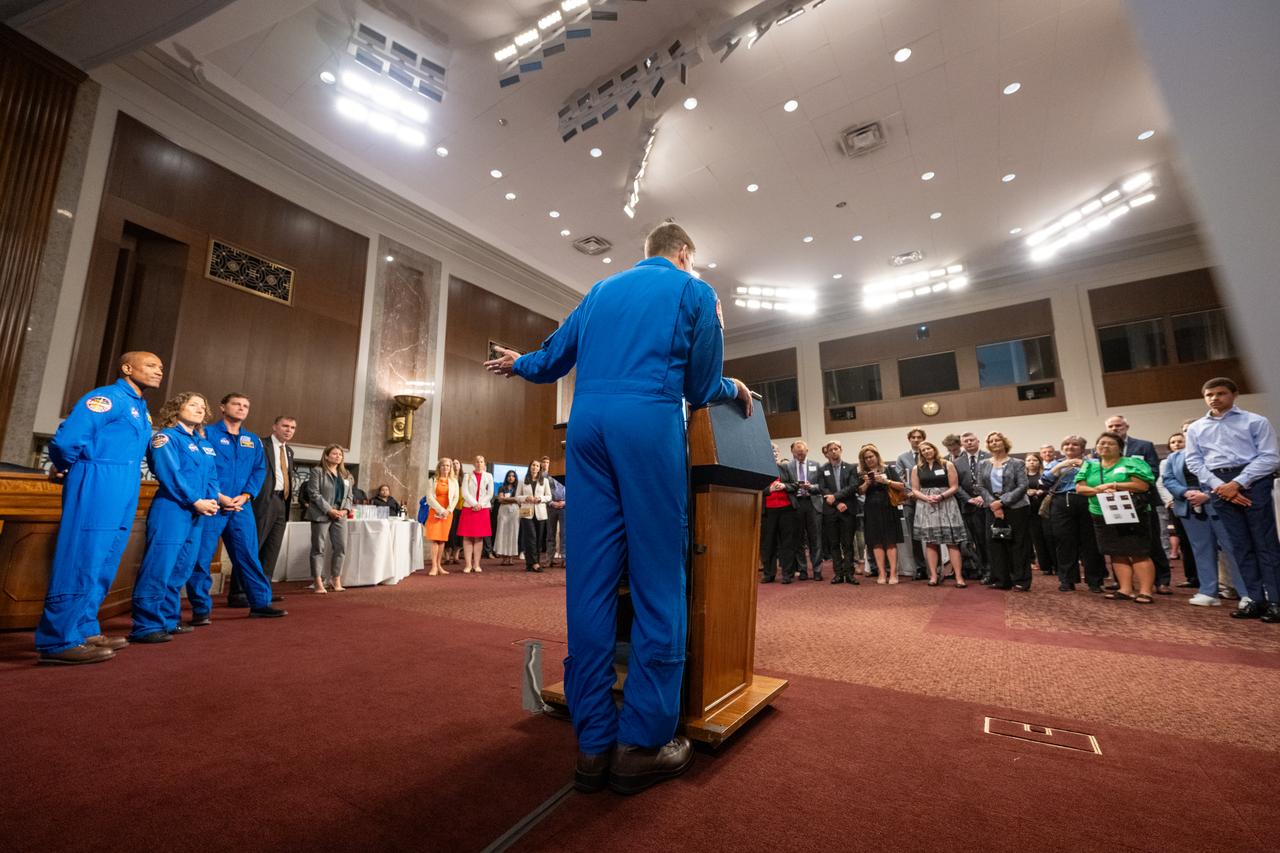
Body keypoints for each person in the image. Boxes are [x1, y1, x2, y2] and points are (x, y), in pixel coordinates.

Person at [484, 221, 751, 795]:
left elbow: (552, 358)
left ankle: (593, 742)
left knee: (590, 579)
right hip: (647, 423)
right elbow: (701, 386)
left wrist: (518, 363)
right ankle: (642, 743)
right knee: (658, 578)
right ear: (684, 253)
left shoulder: (601, 289)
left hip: (585, 428)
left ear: (646, 252)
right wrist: (732, 385)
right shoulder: (696, 292)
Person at [35, 352, 162, 664]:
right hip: (98, 478)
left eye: (161, 367)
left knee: (105, 558)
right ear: (127, 368)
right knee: (83, 555)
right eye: (151, 366)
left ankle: (84, 627)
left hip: (125, 483)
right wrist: (65, 466)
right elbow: (67, 442)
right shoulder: (106, 398)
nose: (159, 371)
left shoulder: (140, 408)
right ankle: (58, 639)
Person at [1184, 377, 1280, 622]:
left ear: (1234, 394)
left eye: (1220, 393)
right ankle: (1254, 600)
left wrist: (1238, 484)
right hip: (1217, 484)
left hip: (1252, 481)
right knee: (1238, 546)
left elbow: (1270, 457)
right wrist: (1219, 486)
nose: (1214, 398)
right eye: (1209, 394)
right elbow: (1194, 461)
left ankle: (1276, 601)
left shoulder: (1256, 421)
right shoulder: (1196, 428)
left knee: (1264, 544)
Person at [129, 392, 220, 643]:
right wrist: (195, 500)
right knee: (159, 567)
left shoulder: (204, 444)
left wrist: (211, 500)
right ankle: (146, 625)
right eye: (193, 405)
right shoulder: (165, 438)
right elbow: (170, 475)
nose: (200, 410)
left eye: (203, 406)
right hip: (173, 509)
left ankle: (168, 619)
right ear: (177, 408)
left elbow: (212, 475)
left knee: (181, 568)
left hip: (199, 511)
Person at [198, 393, 287, 618]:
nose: (241, 408)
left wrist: (247, 495)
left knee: (249, 555)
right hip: (212, 504)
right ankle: (200, 609)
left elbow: (259, 470)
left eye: (245, 406)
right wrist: (218, 496)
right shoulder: (206, 433)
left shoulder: (252, 440)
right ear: (222, 407)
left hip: (240, 506)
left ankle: (260, 603)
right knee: (202, 556)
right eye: (236, 404)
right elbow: (200, 468)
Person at [1162, 429, 1243, 607]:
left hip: (1219, 503)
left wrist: (1207, 495)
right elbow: (1168, 479)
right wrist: (1185, 492)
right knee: (1201, 550)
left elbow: (1228, 477)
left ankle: (1246, 593)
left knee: (1232, 549)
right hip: (1189, 505)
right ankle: (1208, 591)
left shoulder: (1216, 451)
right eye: (1185, 431)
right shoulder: (1174, 458)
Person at [1075, 431, 1158, 604]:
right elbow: (1080, 489)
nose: (1104, 446)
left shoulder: (1131, 462)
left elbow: (1141, 485)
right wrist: (1099, 489)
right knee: (1116, 552)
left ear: (1120, 448)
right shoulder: (1090, 465)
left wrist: (1115, 485)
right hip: (1101, 513)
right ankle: (1125, 589)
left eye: (1110, 443)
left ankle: (1145, 591)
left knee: (1138, 552)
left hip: (1131, 512)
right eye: (1101, 443)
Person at [1105, 414, 1172, 594]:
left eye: (1118, 425)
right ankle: (1122, 583)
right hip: (1114, 502)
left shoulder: (1144, 445)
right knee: (1118, 543)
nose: (1115, 429)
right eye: (1111, 426)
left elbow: (1154, 471)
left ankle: (1162, 581)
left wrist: (1127, 484)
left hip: (1144, 501)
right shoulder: (1101, 449)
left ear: (1127, 426)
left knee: (1152, 542)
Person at [1042, 435, 1105, 593]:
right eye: (1067, 444)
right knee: (1064, 542)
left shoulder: (1094, 463)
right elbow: (1044, 481)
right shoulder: (1055, 463)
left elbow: (1099, 479)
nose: (1070, 447)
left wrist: (1083, 465)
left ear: (1082, 448)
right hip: (1062, 503)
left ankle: (1095, 581)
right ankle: (1067, 580)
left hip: (1088, 501)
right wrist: (1062, 465)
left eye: (1075, 445)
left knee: (1091, 543)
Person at [976, 432, 1031, 591]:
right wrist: (993, 503)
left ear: (1004, 442)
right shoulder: (983, 463)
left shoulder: (1017, 463)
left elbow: (1022, 486)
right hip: (992, 508)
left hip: (1016, 508)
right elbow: (979, 486)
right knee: (996, 543)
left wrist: (1002, 502)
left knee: (1018, 544)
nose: (994, 443)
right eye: (991, 441)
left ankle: (1021, 580)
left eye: (997, 440)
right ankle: (1001, 580)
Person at [909, 440, 968, 587]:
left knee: (951, 541)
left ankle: (959, 577)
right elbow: (915, 489)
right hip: (926, 506)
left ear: (934, 449)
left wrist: (941, 496)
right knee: (931, 542)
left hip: (947, 503)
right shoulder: (917, 468)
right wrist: (926, 498)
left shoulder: (946, 464)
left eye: (928, 448)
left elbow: (954, 486)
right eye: (923, 450)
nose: (926, 452)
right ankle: (933, 576)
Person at [252, 414, 295, 590]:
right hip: (264, 501)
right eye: (285, 426)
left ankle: (263, 591)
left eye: (292, 428)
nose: (289, 430)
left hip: (281, 503)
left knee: (272, 549)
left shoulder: (289, 451)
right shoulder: (261, 445)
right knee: (255, 547)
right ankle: (241, 592)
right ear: (274, 427)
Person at [303, 444, 353, 592]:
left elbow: (350, 495)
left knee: (341, 547)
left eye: (340, 454)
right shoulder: (318, 471)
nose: (338, 456)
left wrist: (345, 510)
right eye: (335, 454)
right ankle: (318, 581)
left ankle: (335, 578)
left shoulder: (346, 475)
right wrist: (329, 510)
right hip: (321, 514)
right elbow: (314, 493)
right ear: (326, 456)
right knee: (319, 548)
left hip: (340, 516)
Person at [857, 444, 906, 584]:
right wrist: (866, 483)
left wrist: (886, 481)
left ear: (877, 456)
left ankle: (893, 573)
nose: (869, 460)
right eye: (866, 458)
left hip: (889, 507)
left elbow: (902, 486)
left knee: (890, 541)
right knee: (876, 542)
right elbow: (859, 492)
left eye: (871, 456)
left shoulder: (889, 469)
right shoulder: (862, 474)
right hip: (871, 509)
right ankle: (882, 573)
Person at [1156, 431, 1198, 589]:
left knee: (1201, 543)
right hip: (1177, 503)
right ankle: (1191, 577)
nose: (1176, 444)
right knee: (1185, 542)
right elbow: (1162, 482)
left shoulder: (1195, 457)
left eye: (1180, 441)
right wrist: (1170, 499)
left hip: (1198, 500)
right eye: (1173, 442)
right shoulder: (1166, 462)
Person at [817, 440, 860, 584]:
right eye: (831, 450)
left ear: (841, 450)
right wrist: (836, 503)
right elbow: (823, 490)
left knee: (847, 544)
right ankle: (838, 574)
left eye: (836, 449)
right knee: (834, 544)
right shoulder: (822, 469)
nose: (834, 451)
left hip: (848, 509)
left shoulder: (851, 467)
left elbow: (853, 486)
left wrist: (836, 497)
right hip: (831, 511)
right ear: (827, 453)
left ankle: (849, 574)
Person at [954, 431, 992, 580]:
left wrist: (984, 497)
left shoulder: (989, 458)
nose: (969, 443)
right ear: (962, 444)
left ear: (978, 441)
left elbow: (993, 480)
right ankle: (986, 570)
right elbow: (956, 485)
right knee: (979, 540)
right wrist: (969, 499)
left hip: (989, 504)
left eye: (971, 440)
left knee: (992, 539)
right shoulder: (957, 462)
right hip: (970, 507)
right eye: (966, 441)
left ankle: (1000, 569)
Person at [760, 444, 798, 584]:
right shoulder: (760, 468)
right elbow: (757, 489)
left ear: (779, 453)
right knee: (768, 544)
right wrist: (769, 489)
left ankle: (787, 574)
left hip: (786, 510)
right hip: (768, 511)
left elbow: (795, 485)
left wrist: (784, 486)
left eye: (775, 451)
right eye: (770, 451)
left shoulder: (785, 467)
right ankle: (769, 574)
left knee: (787, 543)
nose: (774, 453)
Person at [787, 440, 824, 581]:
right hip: (796, 505)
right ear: (793, 452)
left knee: (816, 540)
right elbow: (786, 484)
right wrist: (796, 486)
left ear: (807, 451)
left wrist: (812, 487)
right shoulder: (787, 467)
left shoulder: (816, 465)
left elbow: (822, 485)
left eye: (802, 452)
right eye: (797, 452)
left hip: (812, 503)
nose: (800, 454)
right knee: (798, 540)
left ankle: (817, 570)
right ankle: (802, 570)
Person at [896, 428, 929, 579]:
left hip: (928, 500)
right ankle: (920, 567)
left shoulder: (929, 454)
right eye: (913, 437)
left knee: (931, 534)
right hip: (910, 500)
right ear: (909, 439)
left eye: (919, 437)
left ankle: (936, 568)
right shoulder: (902, 458)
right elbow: (900, 478)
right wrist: (913, 492)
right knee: (914, 535)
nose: (916, 440)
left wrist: (923, 494)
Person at [422, 458, 458, 575]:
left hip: (448, 513)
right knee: (435, 539)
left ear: (450, 468)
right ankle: (433, 567)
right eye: (443, 465)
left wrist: (448, 510)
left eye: (448, 466)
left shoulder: (454, 481)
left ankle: (439, 565)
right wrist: (441, 510)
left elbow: (455, 498)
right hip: (435, 512)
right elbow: (429, 498)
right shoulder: (432, 480)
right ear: (439, 467)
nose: (445, 468)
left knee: (442, 540)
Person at [459, 454, 494, 573]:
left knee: (479, 537)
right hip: (469, 508)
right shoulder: (467, 476)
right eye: (477, 461)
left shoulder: (489, 476)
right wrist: (474, 504)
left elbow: (490, 493)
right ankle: (468, 565)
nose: (479, 464)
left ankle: (477, 564)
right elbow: (464, 492)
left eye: (482, 461)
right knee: (467, 537)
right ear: (474, 463)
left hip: (483, 509)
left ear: (484, 464)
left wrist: (480, 504)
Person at [516, 459, 552, 573]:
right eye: (533, 465)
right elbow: (517, 497)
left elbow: (549, 496)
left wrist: (540, 498)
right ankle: (535, 563)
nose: (535, 467)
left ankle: (529, 563)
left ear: (539, 468)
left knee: (538, 539)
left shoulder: (545, 481)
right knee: (530, 538)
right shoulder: (522, 480)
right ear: (530, 467)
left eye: (537, 466)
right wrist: (525, 498)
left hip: (540, 513)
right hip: (526, 512)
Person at [1024, 455, 1056, 576]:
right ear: (1025, 463)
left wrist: (1043, 492)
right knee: (1037, 540)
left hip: (1046, 510)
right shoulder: (1023, 477)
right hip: (1030, 512)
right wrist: (1027, 492)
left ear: (1039, 462)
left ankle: (1056, 565)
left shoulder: (1045, 475)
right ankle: (1045, 566)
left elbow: (1053, 489)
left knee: (1050, 537)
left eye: (1034, 460)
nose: (1032, 462)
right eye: (1029, 460)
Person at [543, 455, 567, 567]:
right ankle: (549, 558)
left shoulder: (572, 473)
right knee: (550, 534)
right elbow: (542, 493)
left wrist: (565, 502)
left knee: (564, 533)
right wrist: (552, 503)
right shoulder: (544, 476)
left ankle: (565, 558)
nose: (546, 464)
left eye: (547, 462)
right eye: (545, 462)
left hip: (565, 506)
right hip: (551, 506)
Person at [494, 470, 521, 565]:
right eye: (509, 476)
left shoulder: (518, 488)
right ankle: (504, 557)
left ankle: (511, 557)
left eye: (513, 476)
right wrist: (514, 499)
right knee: (503, 533)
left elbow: (519, 500)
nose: (511, 477)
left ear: (515, 478)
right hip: (503, 512)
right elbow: (500, 500)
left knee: (513, 533)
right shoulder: (502, 487)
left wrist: (507, 499)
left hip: (515, 512)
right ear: (506, 477)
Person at [445, 457, 464, 564]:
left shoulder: (464, 478)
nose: (455, 465)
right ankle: (447, 556)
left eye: (457, 463)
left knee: (459, 533)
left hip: (461, 509)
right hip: (450, 509)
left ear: (460, 466)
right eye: (453, 463)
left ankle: (456, 556)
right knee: (449, 532)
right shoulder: (448, 478)